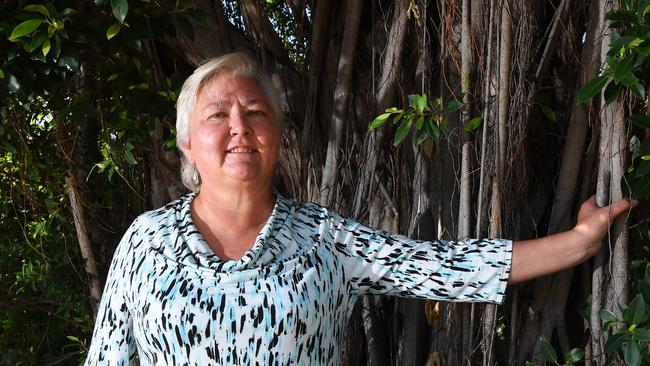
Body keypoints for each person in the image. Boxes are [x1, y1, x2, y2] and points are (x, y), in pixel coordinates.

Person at [84, 53, 634, 365]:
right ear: (186, 142)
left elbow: (446, 267)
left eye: (255, 112)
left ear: (276, 135)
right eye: (217, 115)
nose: (238, 128)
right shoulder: (146, 242)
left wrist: (581, 242)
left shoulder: (326, 240)